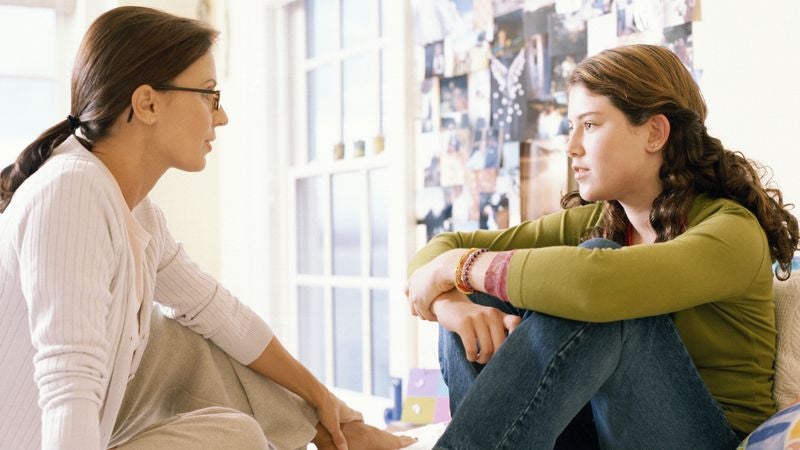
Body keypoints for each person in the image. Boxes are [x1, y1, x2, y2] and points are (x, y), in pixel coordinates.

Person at [0, 7, 414, 450]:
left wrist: (324, 401)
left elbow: (222, 314)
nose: (221, 117)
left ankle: (340, 436)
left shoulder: (137, 213)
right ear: (148, 103)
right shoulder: (72, 192)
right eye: (208, 95)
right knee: (236, 437)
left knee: (192, 343)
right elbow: (70, 390)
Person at [405, 44, 799, 449]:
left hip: (705, 436)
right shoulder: (605, 220)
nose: (571, 145)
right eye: (571, 126)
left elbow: (594, 285)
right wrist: (452, 303)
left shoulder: (731, 232)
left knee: (598, 282)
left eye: (590, 125)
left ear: (655, 133)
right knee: (481, 296)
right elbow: (442, 246)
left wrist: (462, 266)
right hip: (601, 433)